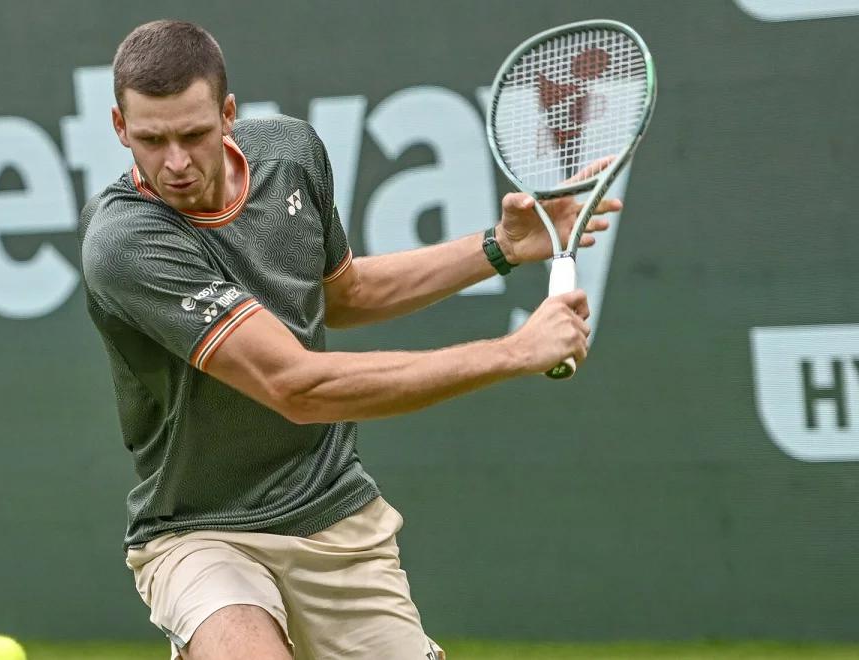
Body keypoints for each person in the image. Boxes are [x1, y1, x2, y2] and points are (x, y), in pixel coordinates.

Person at [79, 20, 621, 660]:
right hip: (202, 533)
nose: (175, 162)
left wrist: (498, 249)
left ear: (228, 114)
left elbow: (345, 294)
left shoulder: (292, 154)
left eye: (193, 134)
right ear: (120, 127)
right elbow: (297, 387)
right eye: (151, 139)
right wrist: (512, 351)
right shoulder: (125, 242)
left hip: (332, 514)